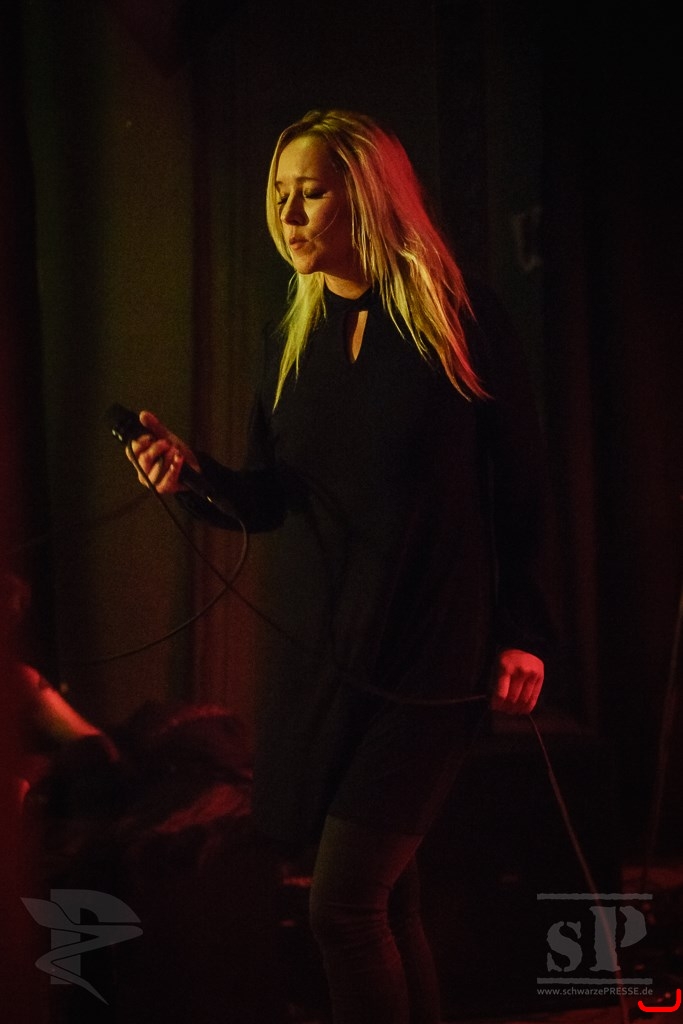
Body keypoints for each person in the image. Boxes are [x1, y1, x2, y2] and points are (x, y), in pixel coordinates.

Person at [125, 109, 559, 1024]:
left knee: (344, 906)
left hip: (429, 657)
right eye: (278, 194)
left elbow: (521, 483)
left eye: (310, 193)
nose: (287, 215)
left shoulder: (458, 320)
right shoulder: (292, 339)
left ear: (366, 198)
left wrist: (523, 631)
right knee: (385, 904)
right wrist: (190, 473)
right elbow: (269, 500)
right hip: (328, 660)